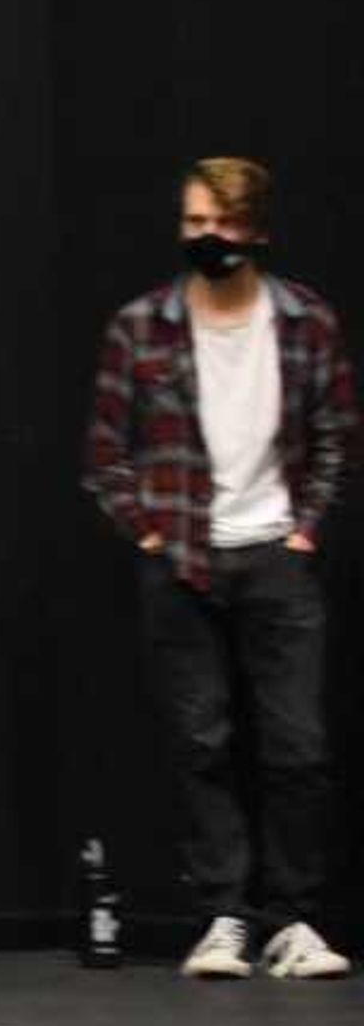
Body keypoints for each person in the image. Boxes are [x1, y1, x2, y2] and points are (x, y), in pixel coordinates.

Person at [82, 156, 352, 981]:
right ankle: (224, 915)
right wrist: (153, 536)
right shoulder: (145, 325)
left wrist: (306, 529)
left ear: (257, 230)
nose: (210, 237)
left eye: (225, 223)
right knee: (202, 741)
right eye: (197, 222)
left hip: (275, 550)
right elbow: (105, 455)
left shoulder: (304, 320)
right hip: (186, 558)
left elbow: (336, 433)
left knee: (296, 746)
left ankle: (294, 918)